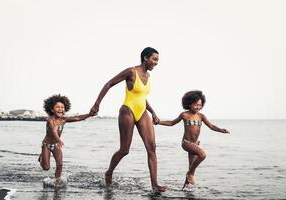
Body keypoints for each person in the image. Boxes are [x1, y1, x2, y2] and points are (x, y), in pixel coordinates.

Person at [89, 47, 167, 192]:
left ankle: (154, 184)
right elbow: (109, 84)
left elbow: (142, 98)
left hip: (142, 111)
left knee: (152, 148)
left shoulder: (148, 77)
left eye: (157, 60)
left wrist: (153, 112)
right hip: (127, 110)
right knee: (125, 150)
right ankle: (109, 172)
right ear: (145, 57)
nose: (156, 63)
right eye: (154, 59)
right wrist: (96, 104)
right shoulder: (131, 71)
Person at [156, 90, 230, 189]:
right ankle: (190, 173)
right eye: (195, 104)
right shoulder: (184, 115)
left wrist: (221, 130)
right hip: (186, 143)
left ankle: (185, 189)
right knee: (202, 155)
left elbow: (211, 126)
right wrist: (158, 122)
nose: (198, 107)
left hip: (195, 144)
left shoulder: (201, 116)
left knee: (192, 165)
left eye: (200, 105)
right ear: (189, 104)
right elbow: (172, 123)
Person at [38, 94, 94, 182]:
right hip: (46, 145)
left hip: (56, 145)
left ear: (65, 109)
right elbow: (53, 130)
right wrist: (59, 140)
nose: (60, 109)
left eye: (62, 107)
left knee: (59, 164)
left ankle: (57, 181)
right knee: (46, 167)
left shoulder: (64, 120)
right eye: (57, 107)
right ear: (52, 109)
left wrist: (89, 114)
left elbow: (78, 118)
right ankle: (41, 158)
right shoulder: (50, 119)